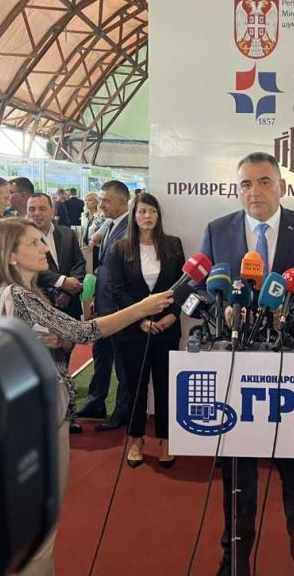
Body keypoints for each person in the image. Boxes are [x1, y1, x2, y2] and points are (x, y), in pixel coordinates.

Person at [0, 217, 172, 576]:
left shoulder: (8, 295)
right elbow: (84, 331)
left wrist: (61, 342)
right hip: (37, 411)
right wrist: (141, 309)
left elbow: (60, 338)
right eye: (34, 243)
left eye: (42, 241)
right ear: (10, 255)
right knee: (40, 522)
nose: (44, 248)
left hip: (26, 411)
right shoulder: (18, 295)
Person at [200, 152, 294, 576]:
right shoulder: (217, 229)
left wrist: (291, 314)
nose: (254, 191)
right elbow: (204, 292)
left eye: (263, 182)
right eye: (245, 183)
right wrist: (222, 311)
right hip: (237, 373)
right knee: (238, 480)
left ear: (282, 186)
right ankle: (233, 561)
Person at [106, 193, 184, 468]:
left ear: (158, 215)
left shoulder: (173, 245)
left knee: (165, 386)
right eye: (142, 212)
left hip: (167, 328)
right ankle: (136, 439)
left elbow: (182, 286)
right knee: (135, 386)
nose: (147, 217)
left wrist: (173, 315)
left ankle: (165, 439)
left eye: (152, 211)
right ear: (134, 215)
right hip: (132, 330)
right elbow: (116, 290)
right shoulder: (119, 249)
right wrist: (139, 319)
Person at [77, 181, 132, 424]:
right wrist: (96, 301)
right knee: (101, 357)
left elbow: (128, 275)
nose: (101, 205)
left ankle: (122, 412)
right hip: (103, 307)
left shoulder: (131, 229)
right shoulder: (110, 225)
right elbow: (104, 269)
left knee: (122, 364)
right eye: (100, 200)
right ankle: (95, 403)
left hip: (119, 310)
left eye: (106, 200)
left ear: (123, 201)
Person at [27, 193, 85, 318]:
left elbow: (79, 263)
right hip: (40, 307)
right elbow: (30, 268)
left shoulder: (68, 233)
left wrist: (69, 291)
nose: (37, 213)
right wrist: (62, 282)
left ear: (52, 211)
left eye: (42, 208)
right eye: (32, 209)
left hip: (70, 306)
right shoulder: (22, 239)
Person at [80, 191, 108, 272]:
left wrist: (94, 241)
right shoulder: (84, 215)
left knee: (94, 268)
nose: (87, 202)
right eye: (86, 200)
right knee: (86, 269)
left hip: (96, 246)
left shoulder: (101, 216)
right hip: (85, 245)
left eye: (90, 200)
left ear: (96, 202)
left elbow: (103, 232)